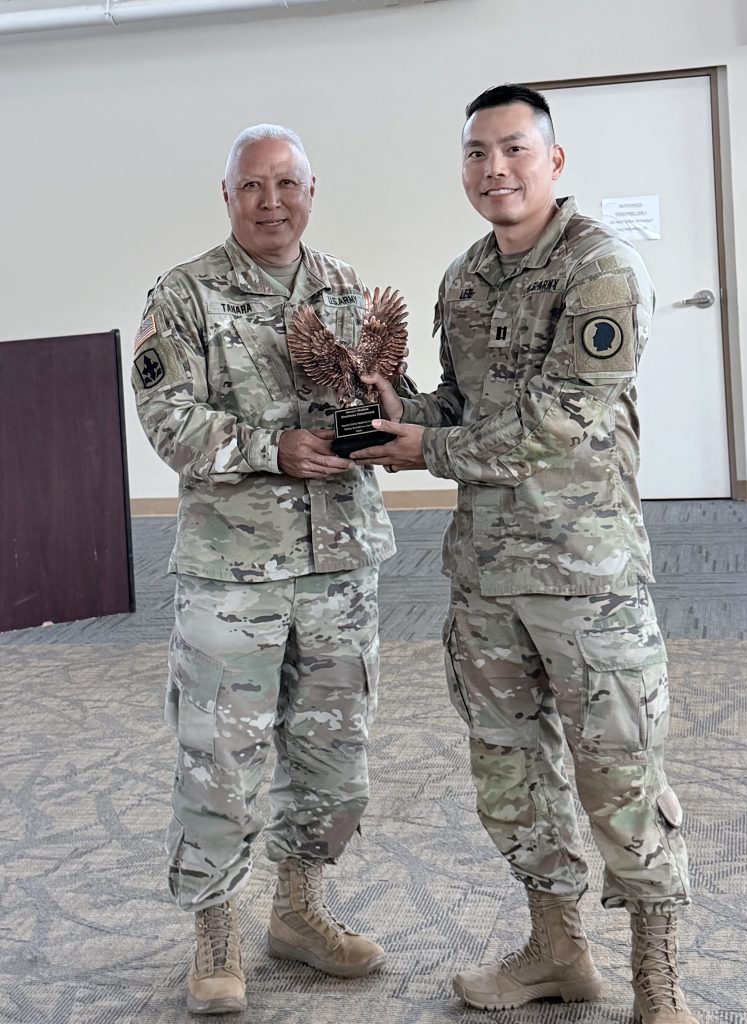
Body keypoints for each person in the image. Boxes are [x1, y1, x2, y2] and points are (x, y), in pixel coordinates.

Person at [352, 84, 698, 1024]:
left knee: (619, 770)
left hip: (586, 578)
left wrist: (427, 449)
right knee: (510, 770)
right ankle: (557, 950)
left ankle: (655, 978)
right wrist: (390, 410)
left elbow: (558, 425)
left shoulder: (602, 270)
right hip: (488, 577)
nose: (492, 169)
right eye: (475, 153)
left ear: (554, 160)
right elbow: (463, 414)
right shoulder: (463, 277)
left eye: (512, 150)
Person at [132, 123, 410, 1016]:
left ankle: (298, 909)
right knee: (220, 753)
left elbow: (374, 395)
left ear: (312, 190)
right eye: (252, 186)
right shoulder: (182, 297)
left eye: (286, 184)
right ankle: (215, 928)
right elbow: (166, 419)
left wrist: (383, 412)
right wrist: (267, 448)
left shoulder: (343, 290)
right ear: (227, 196)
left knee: (335, 756)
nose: (271, 202)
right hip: (234, 569)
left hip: (340, 563)